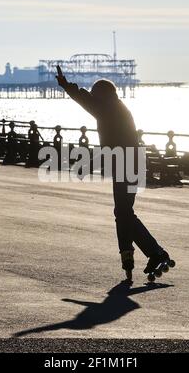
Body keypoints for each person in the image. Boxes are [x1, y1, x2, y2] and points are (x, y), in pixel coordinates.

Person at [55, 66, 172, 281]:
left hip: (128, 163)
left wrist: (66, 86)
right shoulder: (115, 107)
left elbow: (86, 101)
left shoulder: (108, 108)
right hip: (130, 162)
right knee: (123, 212)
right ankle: (132, 254)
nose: (92, 97)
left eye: (95, 94)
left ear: (103, 95)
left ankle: (154, 252)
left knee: (124, 212)